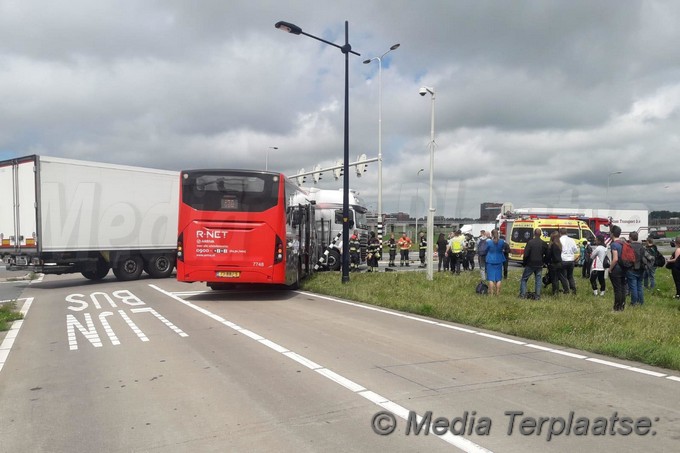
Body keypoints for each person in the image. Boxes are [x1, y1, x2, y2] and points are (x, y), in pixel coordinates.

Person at [519, 228, 548, 299]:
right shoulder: (543, 243)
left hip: (530, 263)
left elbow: (526, 254)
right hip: (539, 264)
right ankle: (537, 296)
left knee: (524, 279)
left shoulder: (530, 242)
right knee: (538, 279)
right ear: (540, 234)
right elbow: (547, 254)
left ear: (534, 234)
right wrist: (544, 261)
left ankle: (523, 295)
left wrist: (524, 263)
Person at [609, 225, 627, 311]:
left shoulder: (614, 245)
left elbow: (615, 258)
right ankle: (622, 306)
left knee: (617, 289)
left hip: (616, 269)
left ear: (612, 234)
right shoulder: (623, 243)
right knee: (623, 288)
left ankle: (616, 307)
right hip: (624, 268)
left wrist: (610, 268)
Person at [626, 231, 645, 306]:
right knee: (639, 286)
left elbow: (626, 258)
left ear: (630, 237)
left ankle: (634, 302)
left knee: (633, 286)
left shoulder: (628, 246)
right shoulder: (641, 246)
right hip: (641, 268)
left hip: (631, 268)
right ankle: (641, 302)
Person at [485, 229, 506, 295]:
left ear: (491, 234)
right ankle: (498, 293)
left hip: (490, 260)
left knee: (491, 278)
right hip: (499, 260)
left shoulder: (488, 242)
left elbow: (486, 249)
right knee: (498, 278)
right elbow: (503, 248)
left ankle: (491, 293)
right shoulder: (502, 241)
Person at [549, 231, 569, 295]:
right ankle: (566, 290)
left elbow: (550, 255)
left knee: (555, 279)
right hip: (560, 263)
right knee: (562, 278)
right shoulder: (559, 245)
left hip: (554, 264)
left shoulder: (552, 245)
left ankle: (555, 292)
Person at [559, 228, 578, 294]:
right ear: (566, 233)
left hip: (563, 260)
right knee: (570, 276)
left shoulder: (559, 240)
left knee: (563, 276)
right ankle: (573, 289)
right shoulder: (571, 240)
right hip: (571, 260)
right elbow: (575, 250)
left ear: (560, 233)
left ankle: (566, 290)